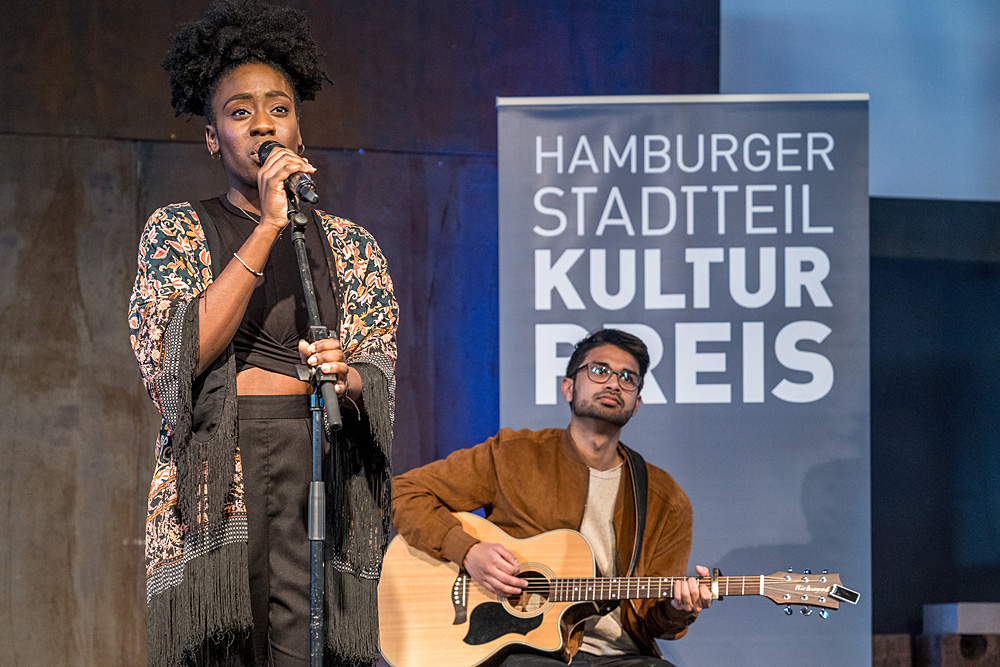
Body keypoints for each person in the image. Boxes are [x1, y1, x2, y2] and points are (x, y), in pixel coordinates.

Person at [128, 2, 397, 666]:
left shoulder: (350, 246)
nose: (262, 124)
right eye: (239, 112)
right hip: (224, 484)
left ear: (298, 128)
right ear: (214, 138)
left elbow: (381, 370)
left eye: (277, 108)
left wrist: (351, 372)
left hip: (320, 472)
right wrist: (269, 225)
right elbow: (174, 361)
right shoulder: (178, 231)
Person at [391, 329, 711, 666]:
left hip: (623, 656)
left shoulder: (666, 500)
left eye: (628, 378)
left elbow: (653, 620)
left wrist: (678, 608)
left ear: (636, 405)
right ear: (568, 387)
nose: (614, 383)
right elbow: (404, 493)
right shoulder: (513, 455)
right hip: (522, 650)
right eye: (600, 371)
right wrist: (468, 551)